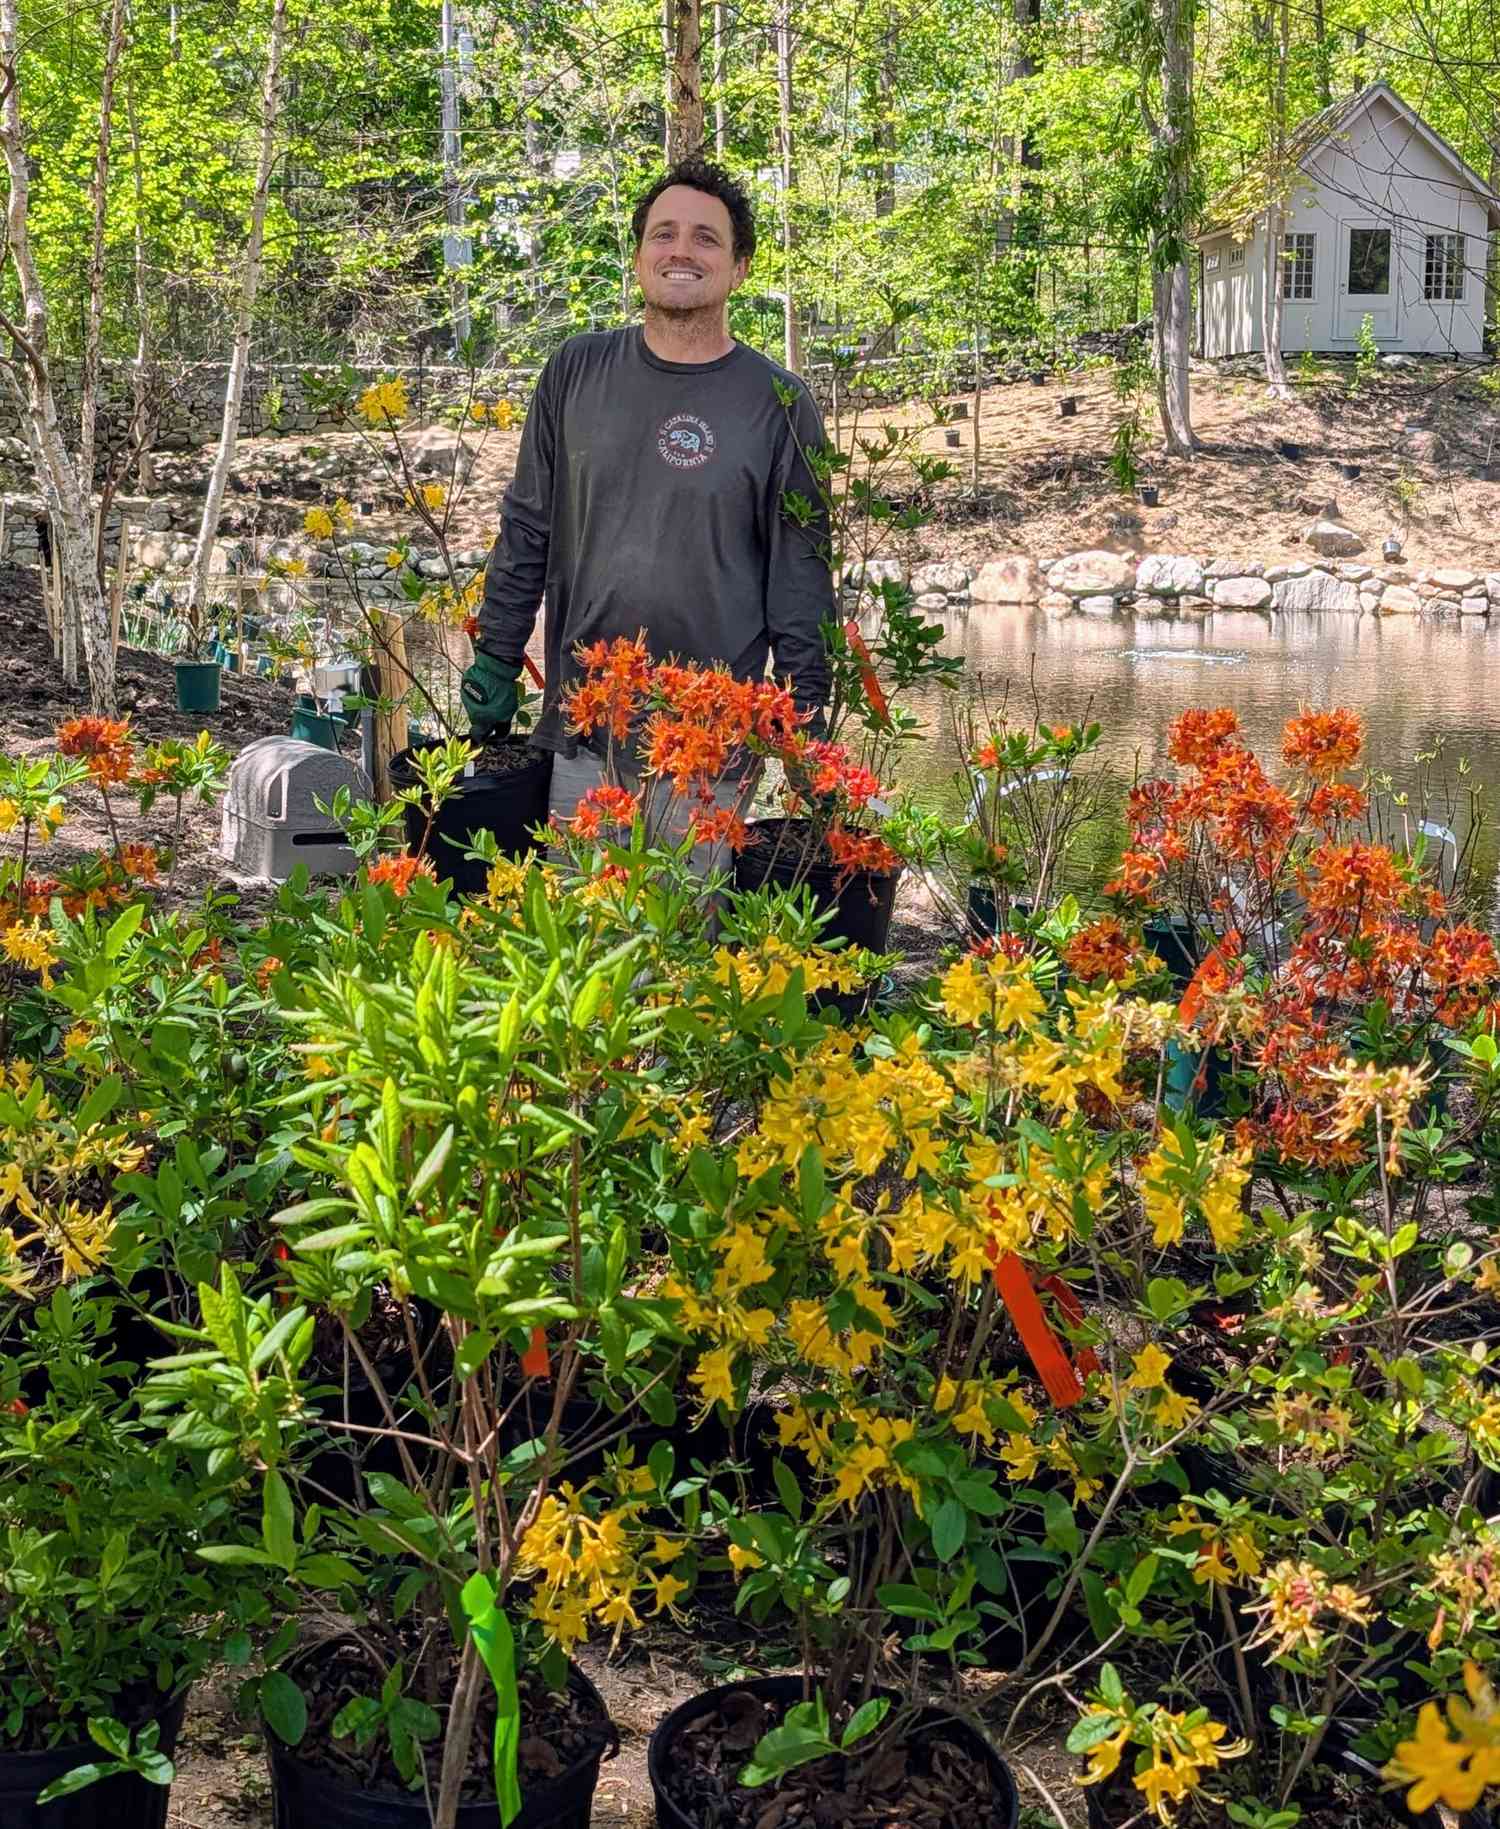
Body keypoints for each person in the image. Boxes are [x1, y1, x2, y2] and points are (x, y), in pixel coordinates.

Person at [460, 157, 833, 867]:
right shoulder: (575, 372)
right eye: (663, 234)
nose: (681, 251)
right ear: (638, 257)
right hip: (583, 730)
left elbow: (801, 577)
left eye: (706, 237)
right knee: (582, 947)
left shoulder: (778, 403)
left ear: (741, 267)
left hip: (712, 750)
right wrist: (497, 653)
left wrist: (805, 721)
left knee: (692, 949)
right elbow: (528, 526)